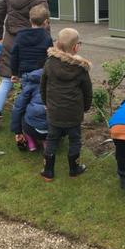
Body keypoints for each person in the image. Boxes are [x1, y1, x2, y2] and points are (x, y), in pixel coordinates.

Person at [0, 0, 52, 123]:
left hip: (10, 39)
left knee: (6, 81)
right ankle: (28, 121)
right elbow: (45, 25)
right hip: (31, 44)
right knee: (30, 84)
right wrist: (49, 49)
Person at [0, 4, 53, 136]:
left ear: (30, 20)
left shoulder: (20, 36)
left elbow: (14, 56)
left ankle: (23, 129)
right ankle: (35, 127)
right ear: (45, 22)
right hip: (40, 75)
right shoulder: (47, 37)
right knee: (37, 101)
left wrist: (14, 73)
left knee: (24, 99)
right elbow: (49, 57)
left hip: (25, 75)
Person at [40, 28, 92, 181]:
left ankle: (48, 171)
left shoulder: (49, 63)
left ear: (57, 44)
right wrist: (85, 107)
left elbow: (42, 85)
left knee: (52, 139)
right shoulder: (81, 68)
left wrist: (46, 103)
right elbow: (87, 91)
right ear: (76, 47)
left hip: (54, 111)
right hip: (73, 113)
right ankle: (74, 168)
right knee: (75, 139)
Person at [10, 68, 48, 152]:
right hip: (56, 129)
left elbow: (18, 108)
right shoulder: (64, 83)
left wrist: (17, 131)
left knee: (23, 110)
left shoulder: (32, 84)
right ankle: (46, 142)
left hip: (34, 128)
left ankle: (31, 142)